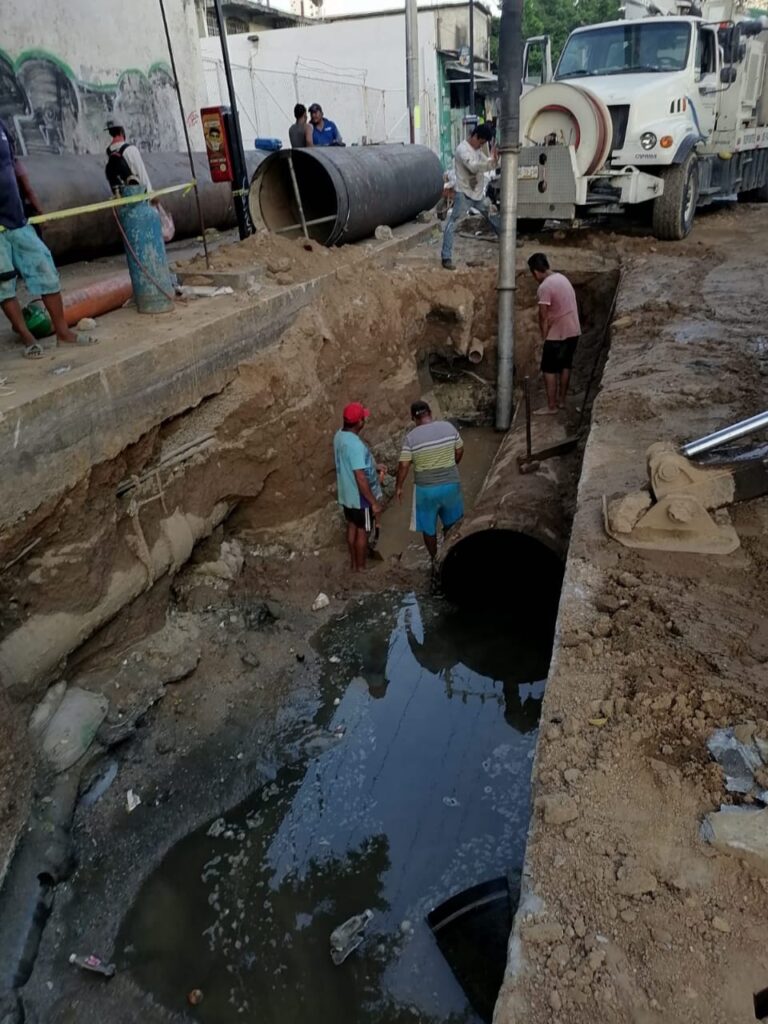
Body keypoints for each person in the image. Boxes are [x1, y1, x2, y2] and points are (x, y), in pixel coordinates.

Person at [0, 118, 93, 359]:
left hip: (17, 219)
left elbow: (14, 164)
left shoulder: (1, 125)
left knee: (46, 270)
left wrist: (34, 200)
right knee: (3, 284)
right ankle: (27, 338)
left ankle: (63, 333)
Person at [395, 401, 464, 564]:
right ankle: (451, 555)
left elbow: (404, 465)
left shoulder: (411, 438)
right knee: (453, 524)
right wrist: (452, 464)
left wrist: (398, 487)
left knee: (428, 528)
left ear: (413, 418)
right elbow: (460, 450)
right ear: (430, 412)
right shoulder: (448, 427)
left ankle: (435, 560)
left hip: (425, 491)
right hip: (451, 486)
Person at [528, 252, 581, 414]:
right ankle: (562, 401)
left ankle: (551, 406)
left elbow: (543, 315)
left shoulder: (545, 287)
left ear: (536, 272)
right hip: (574, 330)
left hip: (558, 333)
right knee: (565, 365)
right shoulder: (562, 278)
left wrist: (544, 336)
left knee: (549, 369)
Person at [333, 402, 384, 572]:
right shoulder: (355, 445)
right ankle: (361, 569)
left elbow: (351, 463)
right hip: (360, 497)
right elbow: (360, 477)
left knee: (352, 524)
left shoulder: (339, 436)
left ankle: (354, 564)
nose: (365, 420)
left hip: (346, 494)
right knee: (363, 530)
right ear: (359, 422)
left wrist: (374, 467)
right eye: (364, 418)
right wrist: (373, 503)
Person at [441, 123, 499, 271]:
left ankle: (507, 241)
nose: (481, 146)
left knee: (492, 215)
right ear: (474, 136)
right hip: (464, 194)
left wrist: (494, 160)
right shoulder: (462, 149)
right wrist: (489, 162)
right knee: (453, 223)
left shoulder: (478, 150)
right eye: (480, 142)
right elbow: (474, 167)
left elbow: (488, 165)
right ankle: (446, 257)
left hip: (477, 194)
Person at [105, 123, 152, 193]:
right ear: (121, 132)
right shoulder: (130, 149)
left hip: (121, 193)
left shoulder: (109, 151)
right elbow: (141, 172)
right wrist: (150, 193)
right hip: (136, 192)